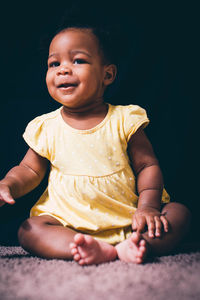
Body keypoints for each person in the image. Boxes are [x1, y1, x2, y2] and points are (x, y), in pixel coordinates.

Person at [0, 18, 191, 265]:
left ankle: (136, 242)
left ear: (107, 74)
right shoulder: (45, 127)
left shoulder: (124, 119)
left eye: (78, 60)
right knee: (30, 229)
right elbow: (28, 170)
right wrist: (8, 184)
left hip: (129, 217)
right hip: (67, 221)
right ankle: (86, 247)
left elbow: (147, 166)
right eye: (54, 63)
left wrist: (147, 208)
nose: (63, 69)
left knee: (179, 213)